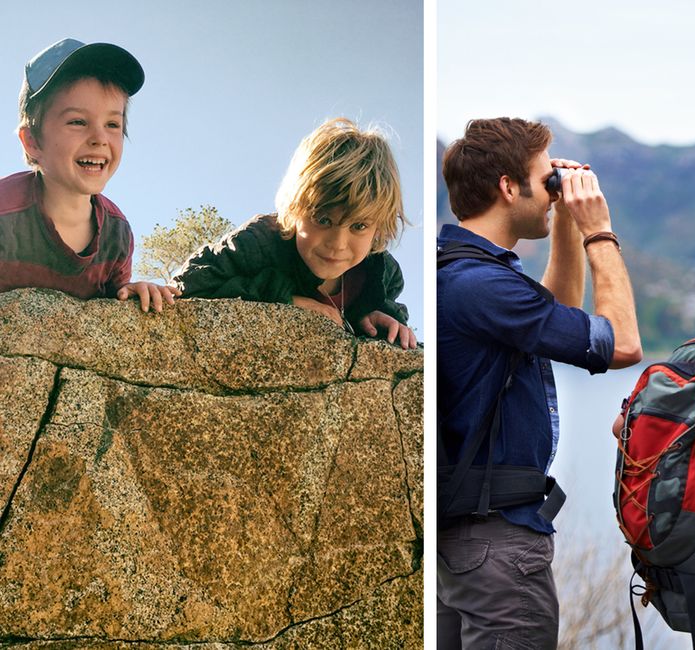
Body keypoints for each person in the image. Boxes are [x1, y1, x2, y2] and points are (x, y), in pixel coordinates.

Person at [436, 117, 642, 648]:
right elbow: (621, 344)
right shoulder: (484, 287)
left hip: (461, 545)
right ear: (509, 187)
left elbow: (557, 315)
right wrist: (598, 228)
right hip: (497, 546)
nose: (556, 189)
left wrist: (566, 225)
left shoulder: (463, 273)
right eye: (546, 178)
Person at [173, 118, 415, 348]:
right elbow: (189, 284)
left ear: (379, 228)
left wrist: (376, 316)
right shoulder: (259, 242)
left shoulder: (383, 274)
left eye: (359, 226)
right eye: (323, 219)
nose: (338, 244)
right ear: (294, 209)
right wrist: (285, 299)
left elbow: (386, 309)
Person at [0, 38, 179, 312]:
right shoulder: (5, 210)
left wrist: (131, 294)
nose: (99, 138)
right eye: (77, 122)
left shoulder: (116, 235)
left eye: (112, 124)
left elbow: (111, 309)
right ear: (32, 141)